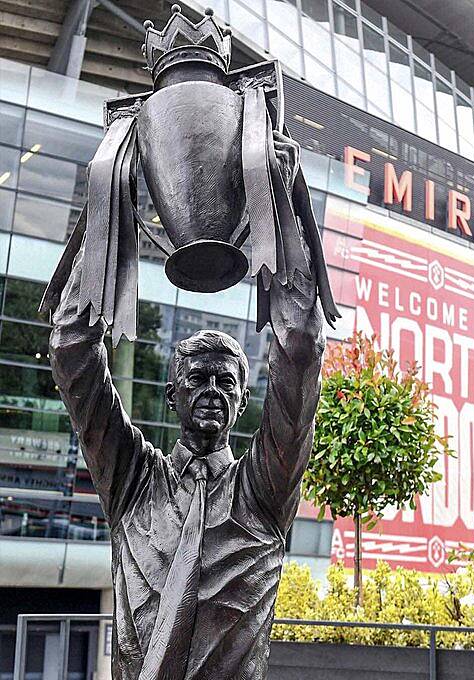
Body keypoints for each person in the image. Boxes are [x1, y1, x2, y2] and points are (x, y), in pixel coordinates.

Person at [49, 134, 325, 679]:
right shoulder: (132, 482)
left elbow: (298, 348)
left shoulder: (262, 493)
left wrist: (282, 204)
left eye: (227, 383)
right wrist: (110, 207)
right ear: (172, 395)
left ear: (244, 402)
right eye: (198, 380)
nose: (213, 392)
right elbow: (70, 348)